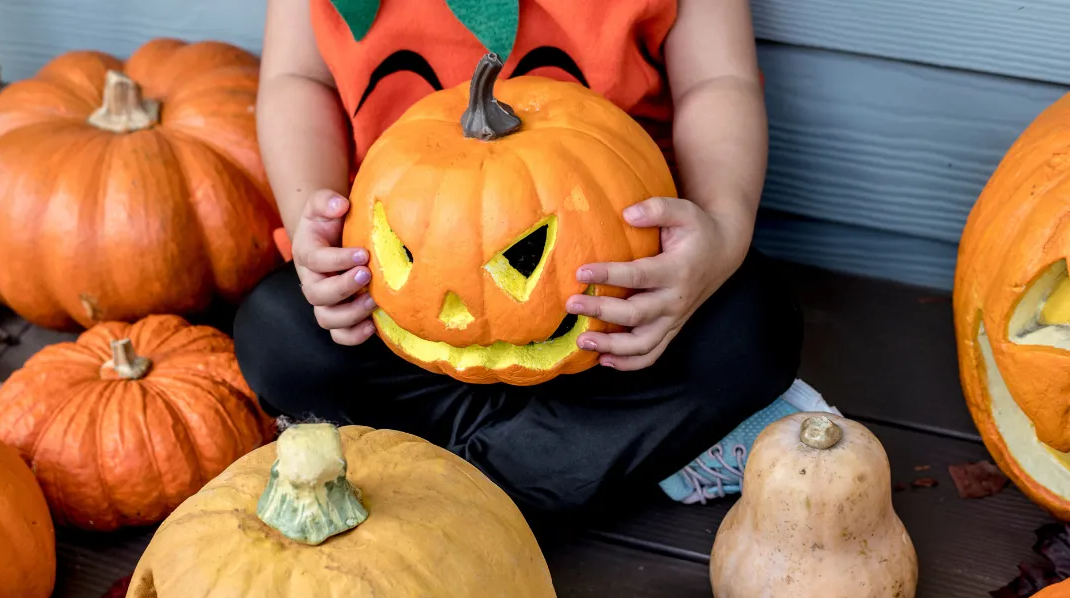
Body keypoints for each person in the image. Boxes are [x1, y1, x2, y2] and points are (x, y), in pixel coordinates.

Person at [234, 0, 840, 518]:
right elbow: (297, 80)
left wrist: (721, 229)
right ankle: (593, 454)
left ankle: (451, 496)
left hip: (621, 311)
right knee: (278, 332)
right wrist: (313, 228)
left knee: (753, 326)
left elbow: (716, 81)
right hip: (402, 294)